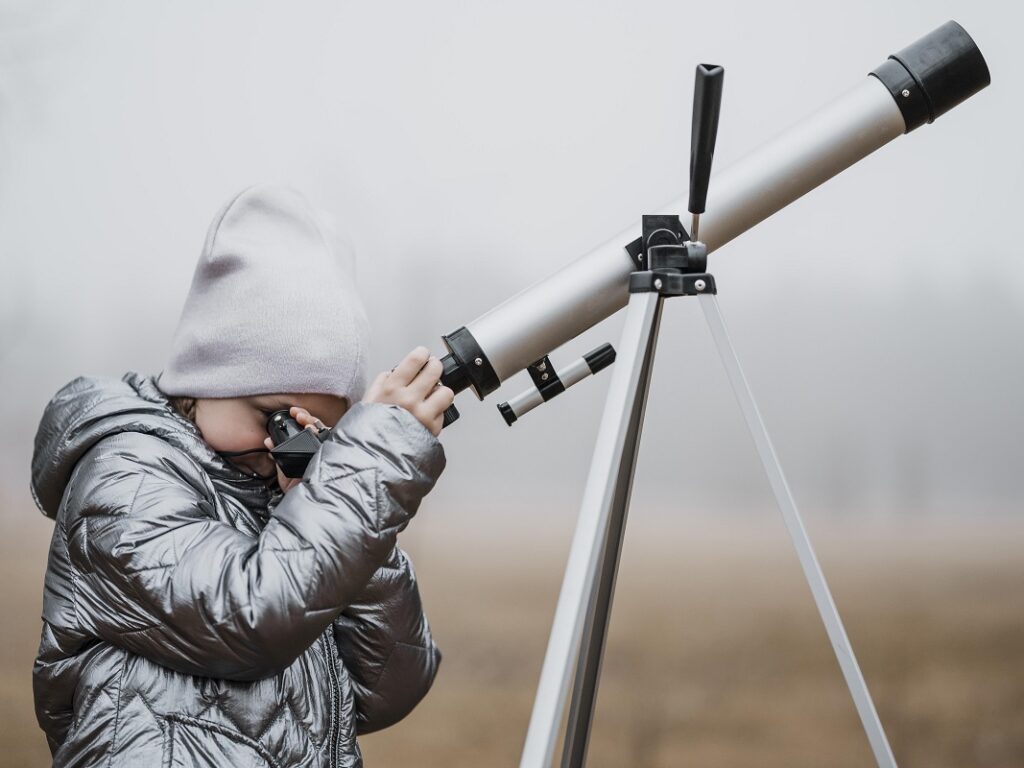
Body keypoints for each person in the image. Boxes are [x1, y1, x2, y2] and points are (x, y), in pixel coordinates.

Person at [29, 184, 454, 767]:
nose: (285, 446)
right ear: (210, 375)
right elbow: (250, 616)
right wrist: (362, 472)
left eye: (315, 432)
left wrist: (336, 498)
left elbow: (389, 686)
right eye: (275, 418)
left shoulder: (299, 504)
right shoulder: (124, 477)